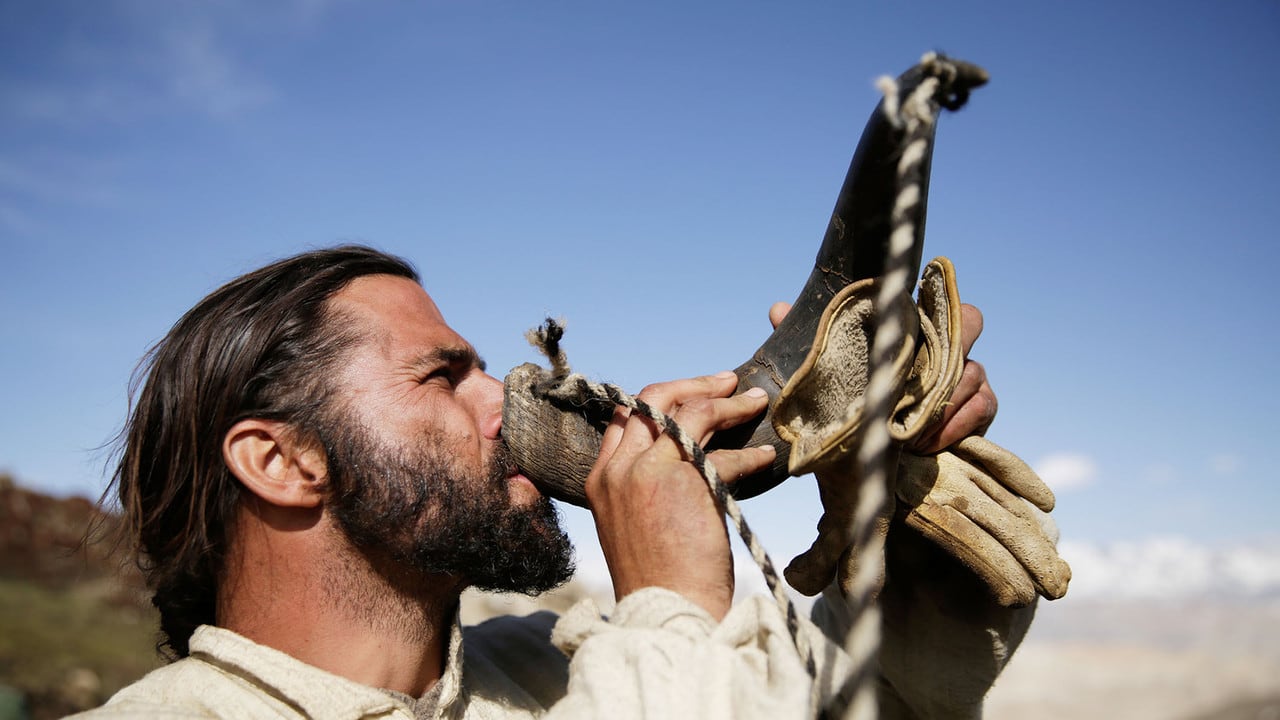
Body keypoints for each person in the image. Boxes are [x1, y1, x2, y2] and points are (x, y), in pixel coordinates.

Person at [74, 245, 1027, 720]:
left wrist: (897, 519)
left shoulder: (551, 667)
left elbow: (887, 703)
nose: (508, 400)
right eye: (443, 376)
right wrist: (665, 600)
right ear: (283, 463)